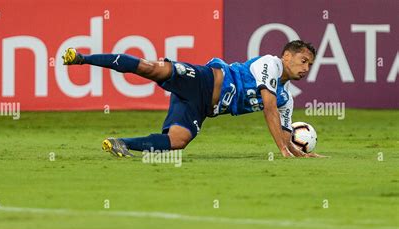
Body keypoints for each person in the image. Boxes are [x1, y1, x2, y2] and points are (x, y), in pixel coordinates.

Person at [62, 40, 325, 158]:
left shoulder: (286, 99)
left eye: (310, 65)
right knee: (150, 67)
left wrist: (299, 151)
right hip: (202, 79)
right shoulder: (271, 64)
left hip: (200, 106)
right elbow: (269, 109)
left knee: (178, 141)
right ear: (286, 56)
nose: (305, 68)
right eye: (303, 61)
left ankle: (120, 143)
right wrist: (281, 149)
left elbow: (286, 133)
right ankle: (82, 58)